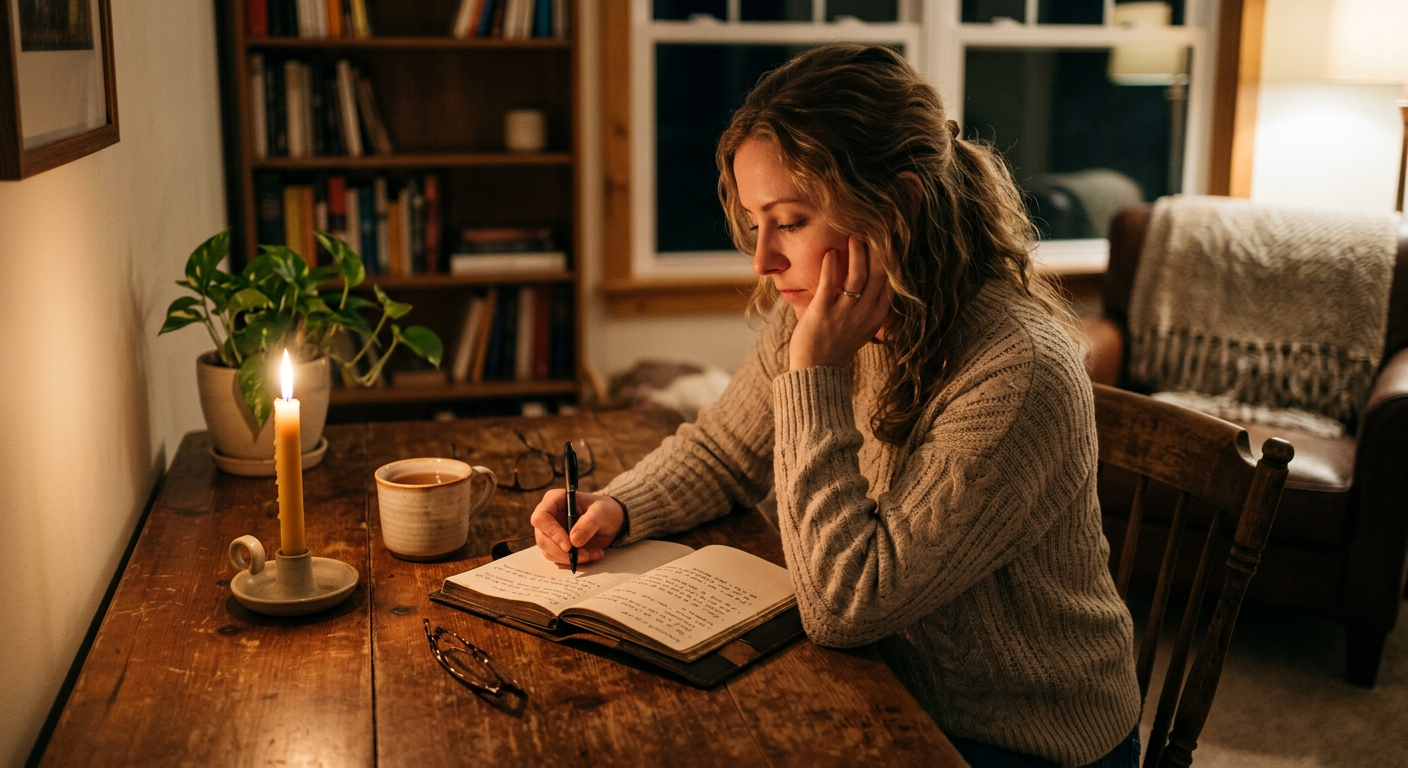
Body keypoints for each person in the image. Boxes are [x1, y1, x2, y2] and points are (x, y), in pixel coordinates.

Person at [530, 43, 1141, 767]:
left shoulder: (1017, 371)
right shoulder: (822, 309)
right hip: (884, 682)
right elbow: (725, 450)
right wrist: (618, 505)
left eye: (789, 221)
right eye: (755, 222)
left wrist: (815, 373)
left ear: (899, 204)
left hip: (1018, 733)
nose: (763, 260)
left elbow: (848, 604)